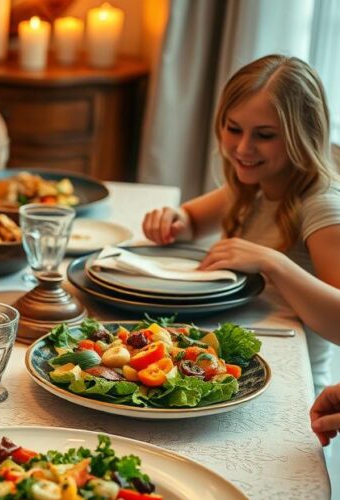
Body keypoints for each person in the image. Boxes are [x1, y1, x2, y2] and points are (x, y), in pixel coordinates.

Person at [141, 55, 340, 392]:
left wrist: (272, 261)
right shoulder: (256, 182)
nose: (243, 148)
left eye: (264, 135)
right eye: (233, 129)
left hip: (293, 384)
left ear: (302, 135)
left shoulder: (320, 205)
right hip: (245, 365)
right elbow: (191, 219)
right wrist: (174, 221)